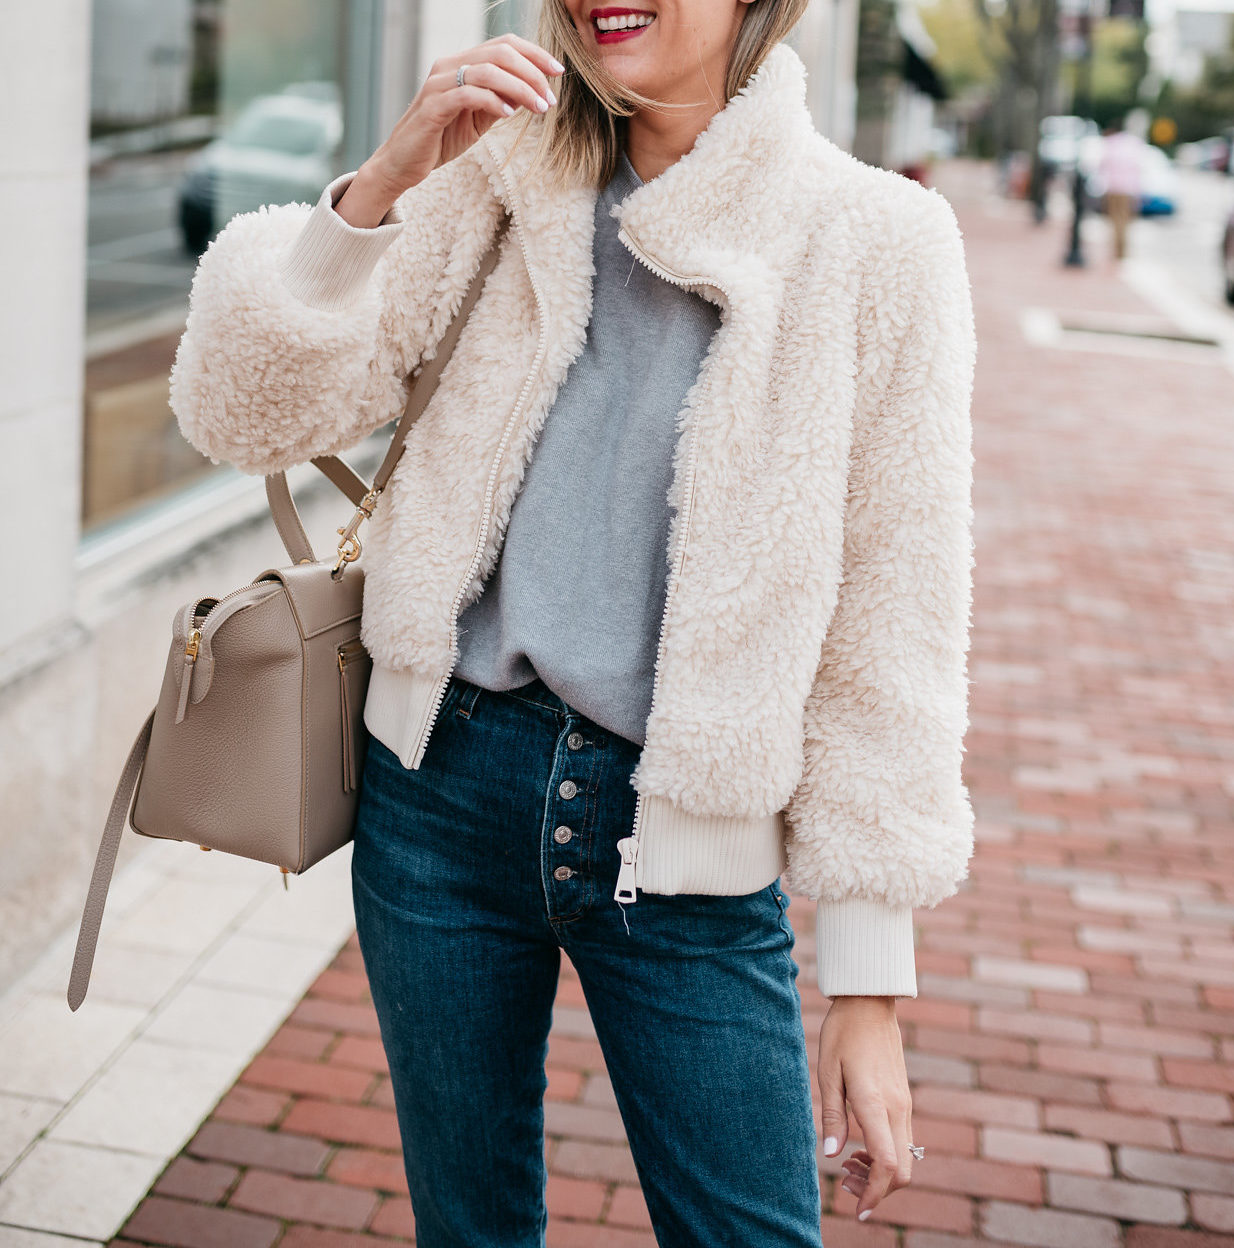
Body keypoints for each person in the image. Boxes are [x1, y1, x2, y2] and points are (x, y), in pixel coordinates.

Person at [168, 0, 977, 1241]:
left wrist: (867, 982)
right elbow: (248, 412)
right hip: (435, 795)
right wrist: (383, 184)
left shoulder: (875, 237)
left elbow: (894, 620)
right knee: (468, 1225)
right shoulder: (500, 175)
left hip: (683, 852)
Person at [1098, 121, 1145, 261]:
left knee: (1114, 220)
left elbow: (1103, 165)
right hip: (1127, 189)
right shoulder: (1133, 144)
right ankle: (1121, 252)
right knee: (1124, 221)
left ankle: (1117, 250)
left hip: (1113, 188)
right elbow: (1138, 168)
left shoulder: (1111, 144)